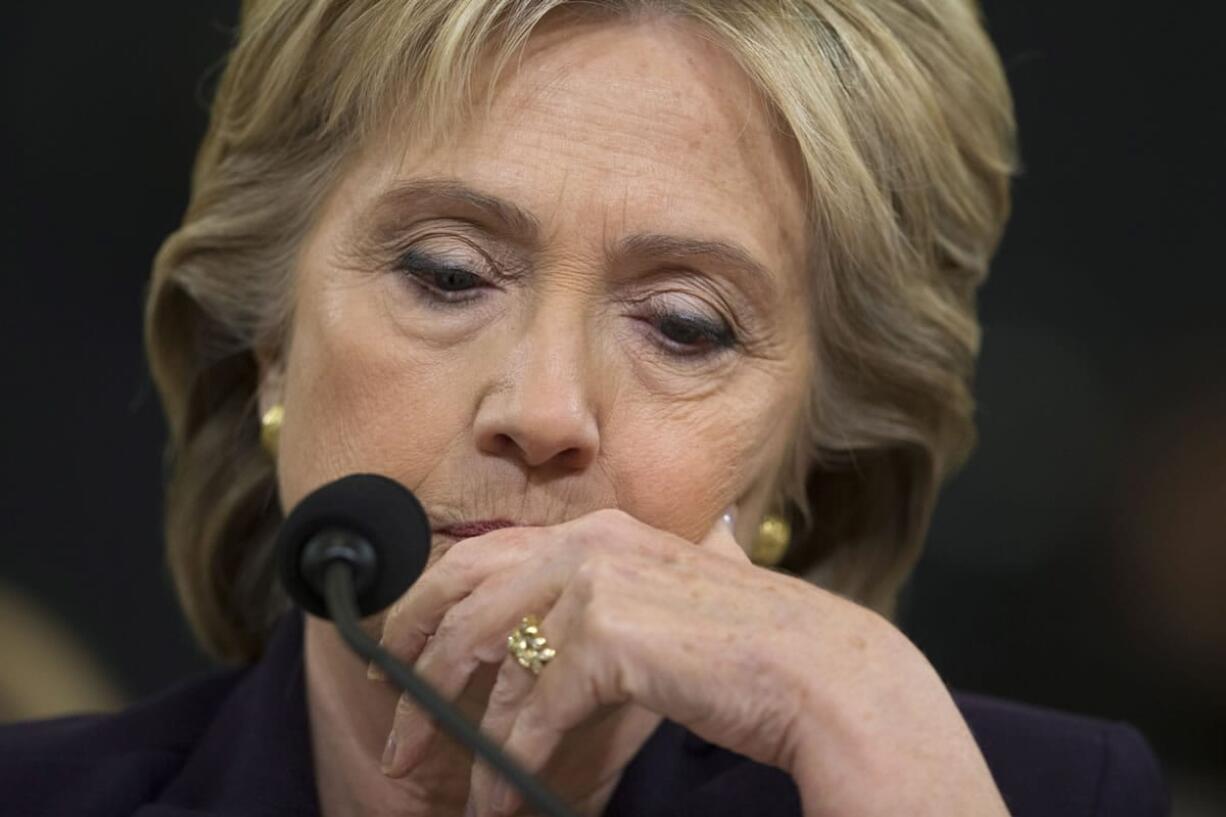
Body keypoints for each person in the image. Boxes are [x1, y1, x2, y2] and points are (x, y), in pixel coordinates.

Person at [0, 1, 1168, 815]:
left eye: (683, 326)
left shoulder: (1031, 798)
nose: (543, 408)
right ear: (270, 353)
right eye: (445, 274)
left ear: (809, 462)